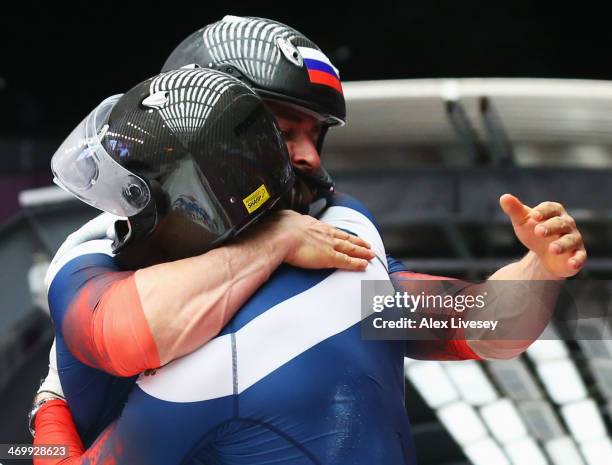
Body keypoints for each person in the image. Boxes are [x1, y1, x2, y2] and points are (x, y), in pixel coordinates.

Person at [31, 15, 586, 464]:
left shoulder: (337, 225)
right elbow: (127, 335)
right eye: (281, 131)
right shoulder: (97, 248)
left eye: (314, 134)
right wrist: (270, 242)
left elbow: (469, 325)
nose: (311, 157)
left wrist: (539, 269)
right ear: (201, 129)